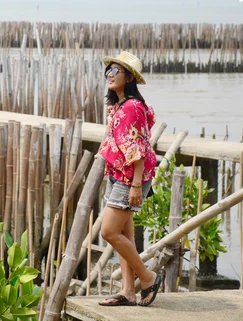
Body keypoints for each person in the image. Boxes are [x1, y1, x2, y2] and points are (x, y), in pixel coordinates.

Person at [97, 51, 163, 307]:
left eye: (117, 71)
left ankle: (147, 277)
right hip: (118, 174)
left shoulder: (132, 106)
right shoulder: (119, 105)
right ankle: (128, 291)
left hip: (130, 177)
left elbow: (137, 148)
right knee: (124, 233)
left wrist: (136, 184)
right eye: (109, 70)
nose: (110, 75)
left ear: (130, 77)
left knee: (108, 231)